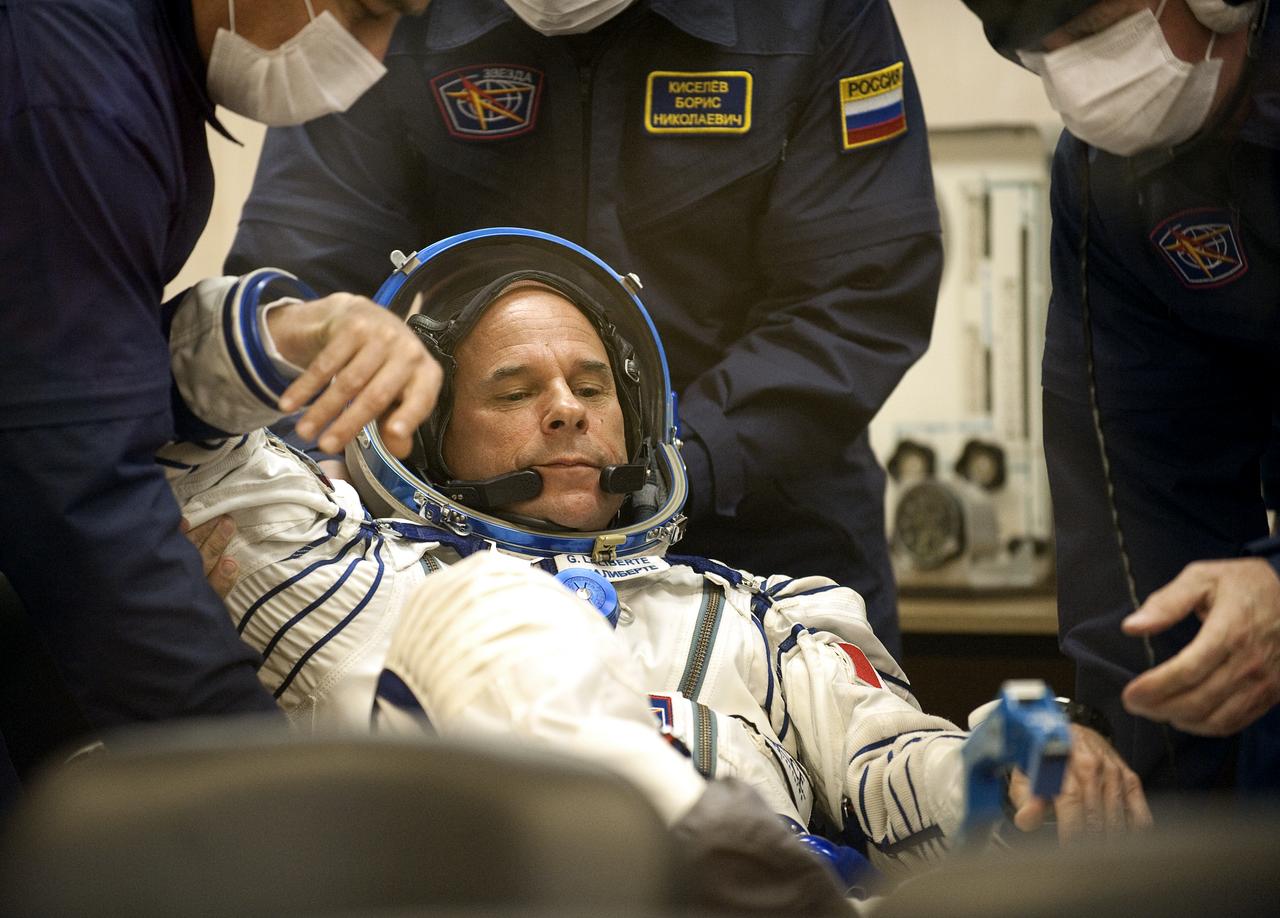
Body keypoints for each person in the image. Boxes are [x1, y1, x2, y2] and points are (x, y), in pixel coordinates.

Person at [164, 229, 1150, 895]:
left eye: (590, 384)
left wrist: (1016, 767)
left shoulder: (765, 615)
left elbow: (891, 770)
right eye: (513, 390)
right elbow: (168, 419)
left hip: (791, 894)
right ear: (427, 434)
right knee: (491, 617)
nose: (565, 408)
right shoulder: (345, 581)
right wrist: (288, 333)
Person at [223, 0, 948, 661]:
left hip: (765, 519)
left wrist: (661, 469)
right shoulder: (390, 10)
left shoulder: (810, 16)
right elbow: (301, 300)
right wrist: (309, 489)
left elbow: (860, 291)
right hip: (453, 545)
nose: (570, 408)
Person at [0, 0, 437, 752]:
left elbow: (81, 356)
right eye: (368, 10)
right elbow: (74, 477)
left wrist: (271, 338)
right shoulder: (79, 95)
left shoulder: (136, 74)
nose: (373, 54)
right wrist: (252, 775)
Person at [958, 0, 1280, 792]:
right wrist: (1125, 756)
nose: (1081, 74)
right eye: (1042, 50)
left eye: (1094, 29)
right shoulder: (1105, 175)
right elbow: (1135, 495)